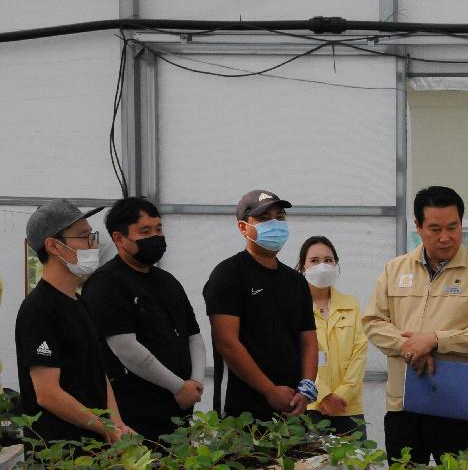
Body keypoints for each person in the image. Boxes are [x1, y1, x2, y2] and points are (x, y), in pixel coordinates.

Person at [363, 186, 468, 465]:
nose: (446, 237)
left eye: (453, 227)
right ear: (418, 226)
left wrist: (436, 340)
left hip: (456, 405)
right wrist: (410, 346)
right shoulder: (396, 269)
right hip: (403, 403)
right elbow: (373, 321)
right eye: (435, 228)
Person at [80, 198, 204, 445]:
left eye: (158, 229)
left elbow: (194, 337)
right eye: (145, 232)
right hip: (134, 420)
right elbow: (126, 349)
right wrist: (178, 387)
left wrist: (196, 384)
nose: (156, 237)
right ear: (119, 238)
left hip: (178, 416)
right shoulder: (105, 284)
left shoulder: (168, 281)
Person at [16, 200, 134, 445]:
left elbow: (99, 372)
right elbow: (48, 394)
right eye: (83, 236)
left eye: (92, 235)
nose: (94, 243)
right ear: (53, 246)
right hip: (61, 455)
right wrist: (106, 429)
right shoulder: (39, 309)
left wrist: (117, 424)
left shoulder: (79, 302)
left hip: (95, 449)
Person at [203, 190, 318, 422]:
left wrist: (306, 389)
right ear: (244, 228)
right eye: (264, 219)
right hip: (241, 411)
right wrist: (269, 390)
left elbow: (308, 340)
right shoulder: (228, 275)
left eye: (280, 217)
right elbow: (227, 342)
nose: (274, 224)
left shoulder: (295, 281)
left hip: (292, 407)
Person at [296, 236, 368, 437]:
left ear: (336, 264)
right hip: (309, 407)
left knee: (355, 467)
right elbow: (297, 356)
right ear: (303, 266)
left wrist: (342, 395)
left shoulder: (350, 304)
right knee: (313, 467)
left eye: (328, 260)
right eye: (314, 260)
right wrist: (325, 396)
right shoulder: (294, 306)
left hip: (348, 407)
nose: (322, 266)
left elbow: (359, 354)